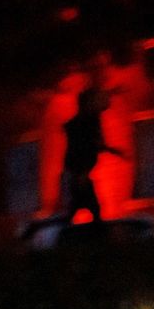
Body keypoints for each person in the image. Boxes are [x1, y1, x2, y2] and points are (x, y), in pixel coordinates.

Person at [60, 87, 124, 224]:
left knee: (81, 207)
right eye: (97, 99)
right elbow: (82, 147)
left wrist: (113, 151)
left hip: (80, 172)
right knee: (87, 207)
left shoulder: (91, 121)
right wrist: (81, 173)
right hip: (79, 171)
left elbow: (95, 144)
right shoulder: (84, 123)